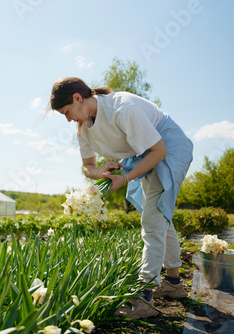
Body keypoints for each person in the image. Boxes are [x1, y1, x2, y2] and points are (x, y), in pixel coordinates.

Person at [50, 77, 193, 319]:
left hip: (167, 146)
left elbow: (159, 151)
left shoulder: (122, 109)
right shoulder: (84, 128)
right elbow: (87, 166)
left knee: (152, 221)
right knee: (159, 216)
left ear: (77, 98)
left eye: (67, 112)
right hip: (143, 153)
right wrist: (101, 172)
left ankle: (143, 297)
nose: (68, 119)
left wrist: (126, 179)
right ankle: (174, 283)